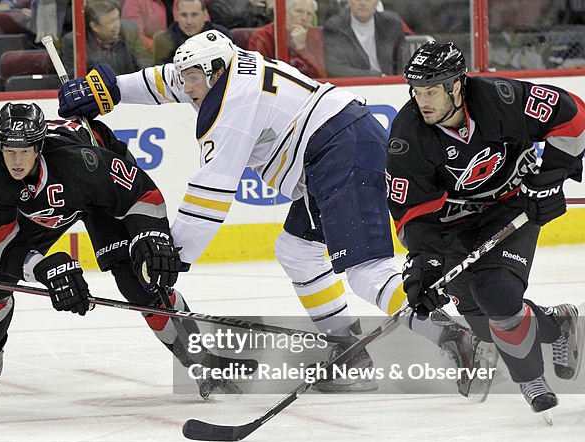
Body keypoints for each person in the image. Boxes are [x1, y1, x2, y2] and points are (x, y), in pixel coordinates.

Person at [55, 31, 494, 395]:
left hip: (340, 150)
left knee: (365, 269)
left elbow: (211, 192)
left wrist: (175, 256)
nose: (184, 88)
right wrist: (109, 91)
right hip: (335, 147)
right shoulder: (221, 69)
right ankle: (349, 351)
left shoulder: (231, 108)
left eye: (191, 79)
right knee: (297, 251)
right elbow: (166, 79)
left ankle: (452, 335)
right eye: (186, 77)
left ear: (214, 72)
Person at [0, 102, 247, 398]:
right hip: (45, 210)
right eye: (10, 151)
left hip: (99, 196)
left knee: (141, 282)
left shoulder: (83, 162)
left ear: (39, 147)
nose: (16, 161)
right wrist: (43, 269)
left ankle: (204, 364)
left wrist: (148, 236)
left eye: (24, 151)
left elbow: (142, 194)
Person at [388, 42, 585, 417]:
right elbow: (410, 209)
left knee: (495, 292)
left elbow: (572, 116)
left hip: (512, 207)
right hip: (453, 226)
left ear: (457, 87)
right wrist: (425, 262)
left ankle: (531, 381)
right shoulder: (408, 133)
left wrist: (551, 177)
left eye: (431, 91)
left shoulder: (502, 98)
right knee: (482, 324)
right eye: (416, 91)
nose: (422, 100)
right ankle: (559, 323)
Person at [323, 0, 406, 78]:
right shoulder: (334, 27)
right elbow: (335, 68)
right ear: (349, 1)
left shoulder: (392, 24)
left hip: (390, 84)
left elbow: (403, 61)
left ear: (377, 2)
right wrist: (377, 76)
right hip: (353, 86)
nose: (363, 3)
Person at [61, 0, 142, 76]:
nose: (117, 25)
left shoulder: (126, 33)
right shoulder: (75, 42)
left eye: (117, 19)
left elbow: (140, 66)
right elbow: (74, 78)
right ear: (94, 26)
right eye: (111, 21)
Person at [248, 0, 325, 79]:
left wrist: (301, 48)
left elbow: (320, 76)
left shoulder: (314, 37)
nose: (304, 18)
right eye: (299, 11)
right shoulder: (262, 37)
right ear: (285, 12)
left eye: (309, 14)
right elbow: (258, 76)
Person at [152, 0, 230, 64]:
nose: (189, 21)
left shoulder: (221, 36)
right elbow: (162, 75)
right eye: (184, 15)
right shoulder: (165, 40)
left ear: (205, 15)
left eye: (194, 15)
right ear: (177, 16)